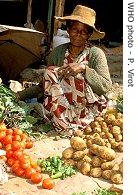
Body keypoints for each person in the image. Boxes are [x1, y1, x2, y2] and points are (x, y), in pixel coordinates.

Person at [43, 5, 112, 136]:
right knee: (51, 71)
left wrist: (84, 68)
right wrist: (22, 95)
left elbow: (106, 86)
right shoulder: (58, 52)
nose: (78, 35)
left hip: (88, 106)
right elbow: (48, 83)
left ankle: (75, 125)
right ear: (68, 30)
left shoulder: (96, 53)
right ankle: (64, 124)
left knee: (76, 76)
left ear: (89, 35)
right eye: (75, 29)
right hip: (63, 106)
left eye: (84, 31)